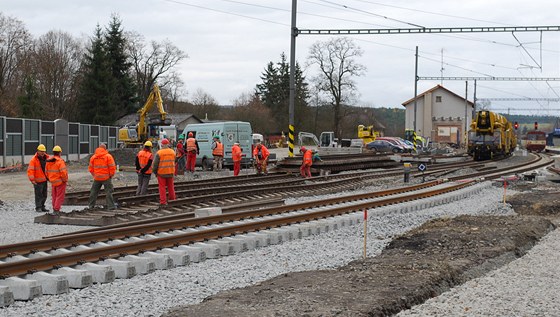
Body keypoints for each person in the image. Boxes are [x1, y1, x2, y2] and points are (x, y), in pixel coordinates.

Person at [88, 143, 117, 210]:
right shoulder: (108, 156)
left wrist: (94, 175)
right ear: (105, 148)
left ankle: (91, 206)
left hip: (97, 178)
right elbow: (112, 167)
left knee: (93, 192)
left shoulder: (93, 157)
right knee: (108, 192)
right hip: (106, 178)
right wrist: (111, 175)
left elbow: (90, 168)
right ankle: (111, 206)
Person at [152, 138, 176, 206]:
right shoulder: (172, 152)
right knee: (171, 186)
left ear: (162, 145)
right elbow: (175, 161)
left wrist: (155, 172)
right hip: (170, 172)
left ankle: (163, 201)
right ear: (168, 144)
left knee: (162, 188)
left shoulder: (159, 153)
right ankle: (172, 199)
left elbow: (155, 164)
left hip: (161, 173)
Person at [27, 144, 50, 212]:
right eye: (41, 151)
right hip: (38, 181)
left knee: (44, 195)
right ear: (38, 151)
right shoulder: (34, 160)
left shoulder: (47, 158)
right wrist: (32, 180)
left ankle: (42, 206)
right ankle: (38, 207)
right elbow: (30, 170)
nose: (42, 152)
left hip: (45, 180)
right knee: (38, 195)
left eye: (43, 151)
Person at [46, 145, 68, 213]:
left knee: (54, 196)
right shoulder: (60, 161)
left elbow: (46, 172)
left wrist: (50, 179)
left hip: (53, 182)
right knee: (59, 196)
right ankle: (56, 209)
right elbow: (63, 173)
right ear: (59, 153)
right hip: (60, 182)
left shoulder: (49, 161)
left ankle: (54, 208)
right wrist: (64, 180)